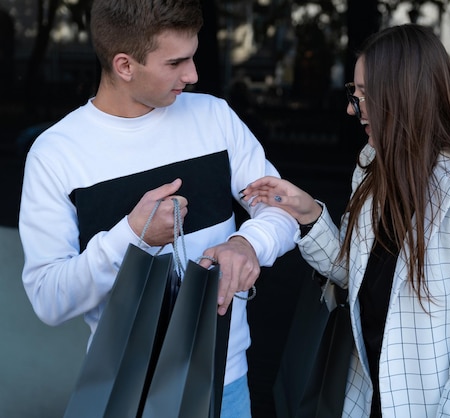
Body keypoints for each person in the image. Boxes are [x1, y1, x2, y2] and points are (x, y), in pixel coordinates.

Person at [18, 1, 297, 417]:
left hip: (225, 382)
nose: (193, 74)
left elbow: (283, 208)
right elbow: (48, 299)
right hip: (121, 388)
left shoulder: (215, 117)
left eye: (193, 56)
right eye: (176, 62)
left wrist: (247, 242)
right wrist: (133, 238)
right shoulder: (56, 154)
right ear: (125, 65)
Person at [243, 24, 450, 417]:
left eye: (363, 95)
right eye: (353, 95)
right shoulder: (372, 168)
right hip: (370, 398)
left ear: (403, 94)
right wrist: (308, 213)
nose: (352, 109)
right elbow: (355, 278)